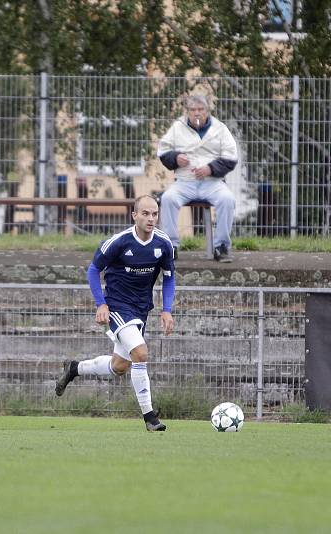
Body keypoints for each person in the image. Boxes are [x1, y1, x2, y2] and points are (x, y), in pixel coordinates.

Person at [55, 195, 175, 431]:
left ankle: (75, 368)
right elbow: (93, 270)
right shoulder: (118, 242)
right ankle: (150, 418)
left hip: (141, 309)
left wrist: (167, 310)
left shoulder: (163, 244)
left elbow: (169, 278)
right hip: (118, 306)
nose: (151, 218)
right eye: (145, 213)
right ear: (134, 215)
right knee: (141, 353)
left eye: (154, 214)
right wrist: (101, 304)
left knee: (119, 366)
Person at [157, 94, 238, 262]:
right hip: (184, 182)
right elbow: (163, 151)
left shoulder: (220, 128)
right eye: (193, 110)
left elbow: (231, 158)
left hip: (213, 183)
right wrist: (175, 157)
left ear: (207, 111)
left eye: (201, 109)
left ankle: (221, 247)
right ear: (187, 112)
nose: (197, 113)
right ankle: (171, 246)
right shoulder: (177, 127)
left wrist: (211, 168)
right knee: (168, 198)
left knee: (227, 199)